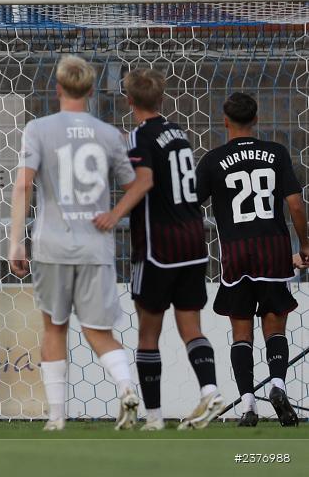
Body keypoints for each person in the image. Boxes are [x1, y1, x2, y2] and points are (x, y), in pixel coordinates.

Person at [9, 55, 140, 431]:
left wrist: (16, 242)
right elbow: (134, 186)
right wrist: (115, 215)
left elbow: (23, 185)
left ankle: (56, 416)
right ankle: (126, 387)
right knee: (99, 331)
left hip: (52, 243)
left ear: (58, 88)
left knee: (54, 327)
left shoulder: (39, 128)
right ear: (91, 89)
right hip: (96, 245)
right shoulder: (109, 134)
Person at [94, 68, 221, 431]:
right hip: (194, 241)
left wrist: (114, 214)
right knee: (191, 327)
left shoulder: (139, 136)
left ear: (128, 99)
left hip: (157, 247)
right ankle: (210, 391)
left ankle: (153, 418)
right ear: (162, 98)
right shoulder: (177, 132)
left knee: (148, 333)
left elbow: (145, 181)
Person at [195, 92, 309, 427]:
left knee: (240, 330)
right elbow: (296, 206)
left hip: (235, 250)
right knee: (275, 325)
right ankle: (277, 384)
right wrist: (304, 245)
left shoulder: (213, 160)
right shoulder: (276, 153)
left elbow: (191, 209)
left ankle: (248, 405)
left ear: (225, 120)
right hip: (273, 247)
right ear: (256, 119)